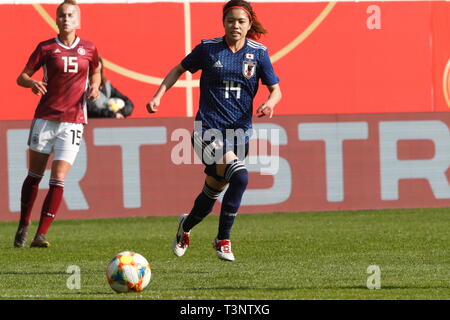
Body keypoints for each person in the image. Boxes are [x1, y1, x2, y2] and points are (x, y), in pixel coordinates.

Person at [146, 0, 282, 261]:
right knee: (241, 177)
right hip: (207, 130)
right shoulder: (208, 49)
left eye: (241, 21)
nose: (235, 25)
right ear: (223, 23)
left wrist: (269, 102)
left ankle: (185, 228)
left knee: (212, 192)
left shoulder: (259, 53)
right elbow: (178, 69)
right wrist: (158, 96)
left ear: (249, 24)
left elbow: (276, 89)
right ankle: (223, 239)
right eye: (230, 20)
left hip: (239, 133)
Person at [14, 0, 100, 248]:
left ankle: (41, 234)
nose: (66, 19)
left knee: (59, 177)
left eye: (71, 15)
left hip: (73, 121)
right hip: (46, 118)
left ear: (78, 20)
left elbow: (96, 70)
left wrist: (95, 85)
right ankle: (24, 223)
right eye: (62, 15)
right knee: (34, 175)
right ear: (56, 19)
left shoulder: (90, 48)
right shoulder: (46, 48)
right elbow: (22, 76)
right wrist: (32, 83)